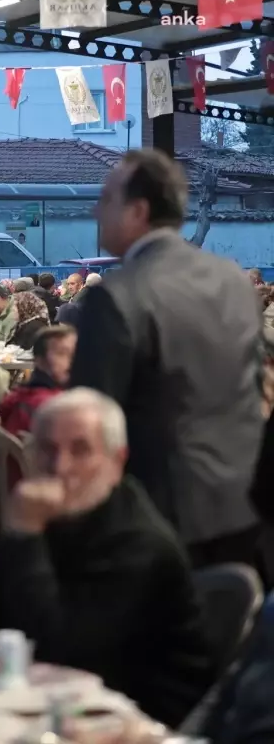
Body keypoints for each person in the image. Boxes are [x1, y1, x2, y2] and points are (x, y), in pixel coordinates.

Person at [0, 389, 218, 727]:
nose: (60, 466)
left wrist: (26, 535)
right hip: (51, 705)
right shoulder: (56, 515)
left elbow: (59, 649)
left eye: (81, 450)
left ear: (116, 461)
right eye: (47, 450)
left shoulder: (140, 542)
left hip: (137, 720)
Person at [71, 149, 265, 571]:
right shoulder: (232, 279)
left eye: (106, 198)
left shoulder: (116, 295)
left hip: (156, 512)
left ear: (138, 211)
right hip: (244, 496)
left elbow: (88, 419)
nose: (95, 209)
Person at [0, 325, 76, 436]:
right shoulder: (51, 407)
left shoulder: (19, 396)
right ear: (39, 360)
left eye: (75, 354)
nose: (72, 360)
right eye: (62, 353)